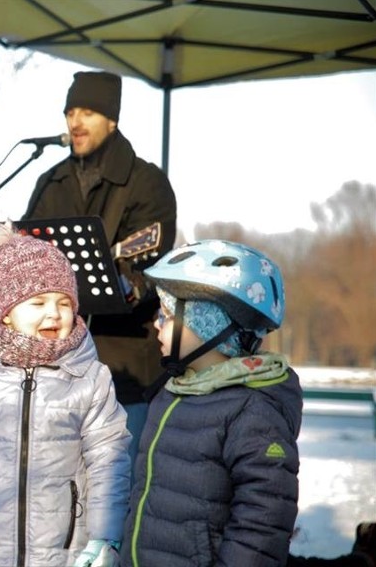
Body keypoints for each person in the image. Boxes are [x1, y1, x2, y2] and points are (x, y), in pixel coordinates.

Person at [0, 222, 131, 566]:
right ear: (6, 314)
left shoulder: (90, 378)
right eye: (38, 302)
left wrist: (106, 536)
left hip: (63, 552)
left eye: (64, 302)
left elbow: (109, 462)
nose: (54, 312)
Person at [22, 70, 178, 472]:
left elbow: (148, 271)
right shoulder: (50, 182)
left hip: (124, 372)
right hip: (56, 370)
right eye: (70, 111)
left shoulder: (146, 183)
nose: (75, 122)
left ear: (112, 119)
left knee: (116, 493)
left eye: (88, 112)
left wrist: (124, 283)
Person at [121, 240, 301, 566]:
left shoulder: (252, 411)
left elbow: (262, 523)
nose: (156, 326)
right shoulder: (174, 392)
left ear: (209, 326)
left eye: (165, 315)